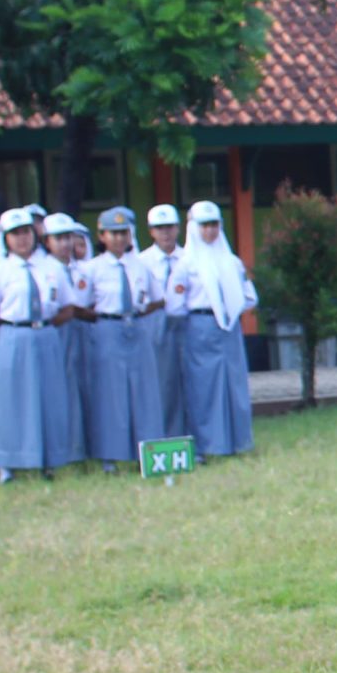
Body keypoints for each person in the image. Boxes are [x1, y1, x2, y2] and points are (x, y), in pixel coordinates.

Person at [0, 208, 60, 481]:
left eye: (25, 232)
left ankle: (48, 460)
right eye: (15, 234)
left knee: (48, 396)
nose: (22, 239)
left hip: (45, 333)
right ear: (5, 239)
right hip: (13, 334)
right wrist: (13, 330)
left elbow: (66, 306)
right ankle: (8, 464)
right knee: (10, 399)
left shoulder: (50, 266)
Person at [85, 208, 164, 472]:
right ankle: (110, 455)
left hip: (136, 328)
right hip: (108, 328)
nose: (119, 239)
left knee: (144, 391)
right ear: (102, 236)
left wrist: (139, 314)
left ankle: (147, 452)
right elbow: (81, 305)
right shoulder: (93, 268)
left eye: (124, 233)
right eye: (113, 233)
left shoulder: (141, 265)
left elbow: (157, 298)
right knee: (111, 394)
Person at [180, 200, 257, 459]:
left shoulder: (231, 261)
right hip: (199, 326)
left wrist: (231, 308)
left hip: (229, 327)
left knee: (233, 384)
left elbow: (250, 296)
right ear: (193, 228)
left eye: (214, 225)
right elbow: (175, 303)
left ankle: (237, 442)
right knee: (203, 387)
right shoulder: (186, 263)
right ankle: (206, 446)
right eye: (204, 226)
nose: (210, 231)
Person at [40, 214, 90, 470]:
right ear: (47, 241)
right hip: (57, 331)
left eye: (68, 237)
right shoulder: (44, 270)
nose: (65, 244)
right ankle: (66, 449)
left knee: (83, 388)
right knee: (60, 388)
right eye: (58, 238)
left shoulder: (81, 268)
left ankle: (83, 447)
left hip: (83, 333)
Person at [140, 205, 192, 435]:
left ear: (178, 229)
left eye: (169, 227)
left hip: (186, 321)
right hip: (155, 323)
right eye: (159, 228)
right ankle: (165, 435)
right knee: (163, 382)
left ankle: (191, 435)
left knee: (190, 379)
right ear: (151, 231)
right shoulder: (142, 262)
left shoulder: (190, 258)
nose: (165, 233)